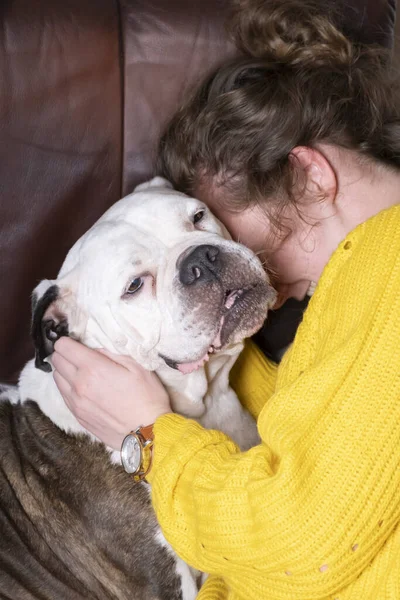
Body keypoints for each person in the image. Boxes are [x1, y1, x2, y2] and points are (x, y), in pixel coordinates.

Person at [52, 1, 400, 598]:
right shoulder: (359, 275)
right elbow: (326, 415)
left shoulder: (387, 265)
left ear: (312, 177)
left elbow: (301, 546)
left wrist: (149, 434)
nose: (221, 260)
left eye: (222, 232)